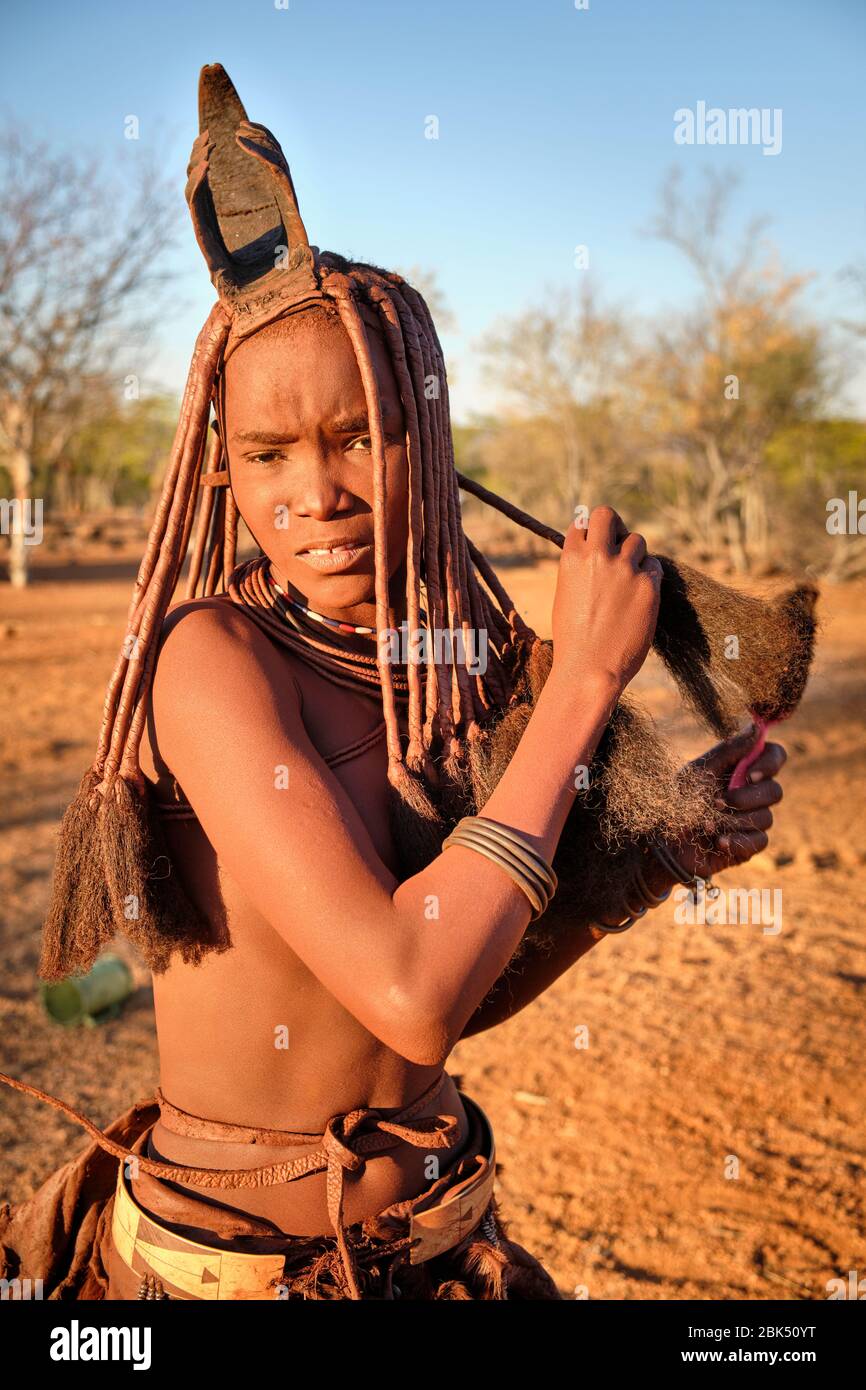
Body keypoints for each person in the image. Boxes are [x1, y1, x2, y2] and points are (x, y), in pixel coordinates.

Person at [0, 65, 786, 1301]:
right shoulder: (215, 663)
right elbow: (411, 993)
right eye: (267, 453)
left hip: (439, 1245)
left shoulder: (443, 672)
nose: (313, 496)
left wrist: (652, 855)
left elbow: (445, 1000)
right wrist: (583, 679)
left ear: (430, 440)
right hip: (232, 1277)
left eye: (359, 436)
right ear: (223, 470)